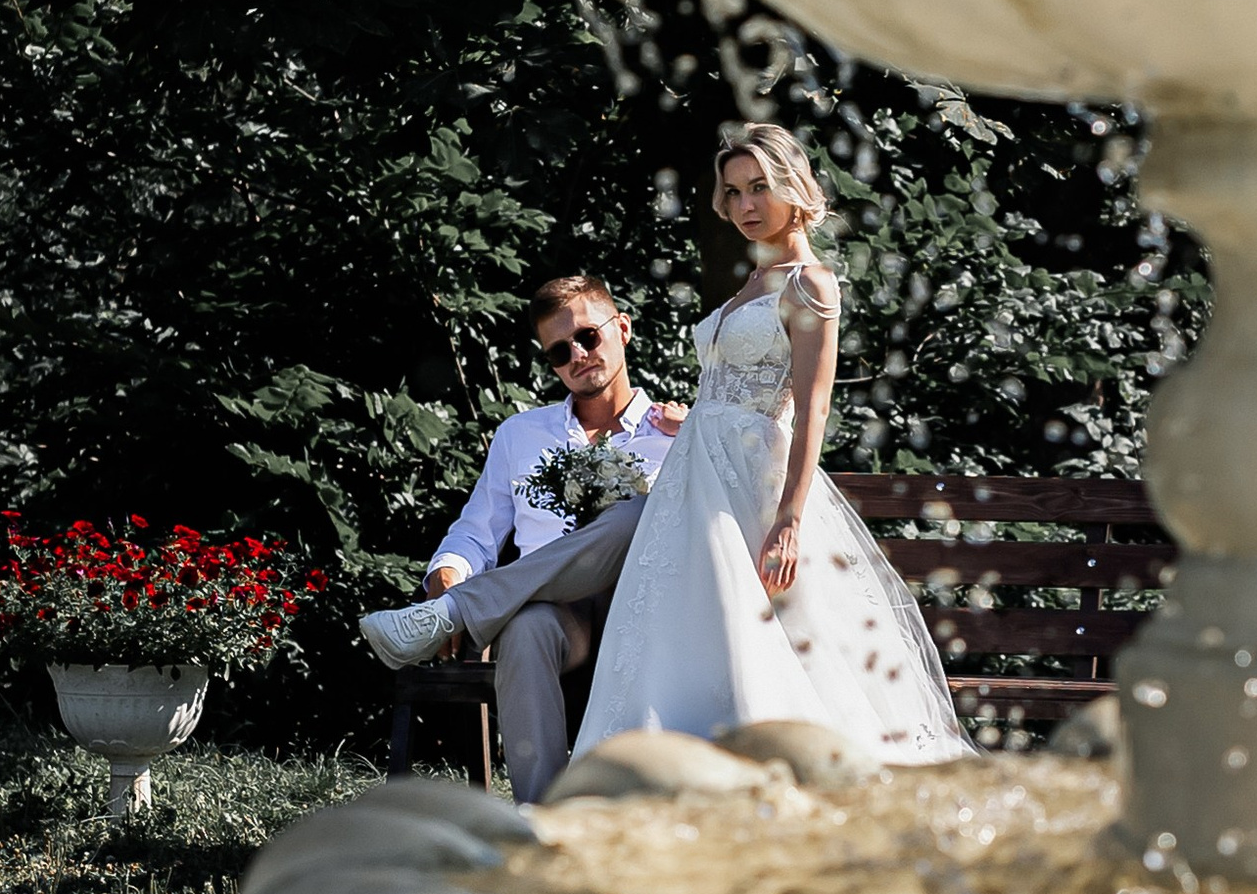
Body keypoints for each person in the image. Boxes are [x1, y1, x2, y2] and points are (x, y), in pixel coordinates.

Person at [568, 121, 967, 769]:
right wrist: (692, 419)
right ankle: (659, 767)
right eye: (733, 192)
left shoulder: (810, 283)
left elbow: (812, 409)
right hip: (695, 474)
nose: (745, 205)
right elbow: (733, 387)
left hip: (753, 484)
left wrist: (789, 520)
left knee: (758, 628)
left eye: (759, 187)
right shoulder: (753, 281)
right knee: (683, 622)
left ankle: (773, 764)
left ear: (792, 186)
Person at [358, 276, 682, 805]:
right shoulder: (522, 434)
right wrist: (446, 576)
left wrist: (692, 437)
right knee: (527, 627)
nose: (578, 355)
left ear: (622, 328)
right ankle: (539, 817)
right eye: (559, 351)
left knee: (636, 515)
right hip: (561, 618)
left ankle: (459, 612)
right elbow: (476, 532)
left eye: (588, 337)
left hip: (642, 613)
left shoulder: (678, 431)